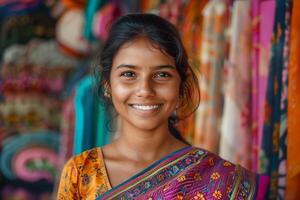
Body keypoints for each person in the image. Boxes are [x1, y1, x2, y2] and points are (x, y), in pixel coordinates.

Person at [56, 13, 269, 200]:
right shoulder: (81, 172)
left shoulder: (222, 179)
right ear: (108, 86)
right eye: (129, 74)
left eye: (162, 75)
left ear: (180, 88)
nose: (145, 89)